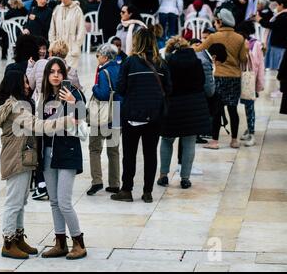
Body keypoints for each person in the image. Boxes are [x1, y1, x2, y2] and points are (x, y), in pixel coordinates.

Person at [0, 69, 76, 259]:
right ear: (16, 85)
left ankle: (18, 237)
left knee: (21, 200)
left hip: (22, 157)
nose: (28, 86)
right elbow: (38, 126)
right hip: (16, 158)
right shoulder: (16, 108)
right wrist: (66, 120)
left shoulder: (18, 105)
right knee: (14, 201)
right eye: (25, 82)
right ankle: (8, 243)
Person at [111, 28, 171, 203]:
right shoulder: (161, 63)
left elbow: (120, 88)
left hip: (132, 115)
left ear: (136, 42)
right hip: (154, 117)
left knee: (129, 155)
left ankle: (127, 190)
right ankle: (147, 192)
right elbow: (168, 88)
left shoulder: (129, 62)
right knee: (150, 154)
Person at [39, 58, 87, 260]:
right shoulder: (44, 96)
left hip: (68, 151)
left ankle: (79, 242)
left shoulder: (72, 92)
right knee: (54, 201)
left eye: (59, 71)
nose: (56, 75)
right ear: (47, 75)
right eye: (52, 71)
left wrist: (73, 103)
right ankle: (60, 242)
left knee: (65, 202)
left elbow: (87, 116)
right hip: (48, 152)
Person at [157, 36, 210, 190]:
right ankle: (185, 178)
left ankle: (163, 175)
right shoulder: (197, 62)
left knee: (167, 140)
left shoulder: (167, 63)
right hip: (193, 105)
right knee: (189, 143)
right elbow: (202, 83)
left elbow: (166, 85)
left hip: (173, 105)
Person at [194, 8, 248, 150]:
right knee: (233, 109)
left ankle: (215, 141)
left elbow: (199, 50)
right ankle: (234, 140)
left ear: (220, 21)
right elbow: (243, 59)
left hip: (219, 76)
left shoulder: (213, 37)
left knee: (217, 110)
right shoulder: (240, 38)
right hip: (234, 77)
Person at [86, 43, 122, 196]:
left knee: (94, 149)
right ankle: (114, 183)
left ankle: (97, 181)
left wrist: (94, 87)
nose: (97, 58)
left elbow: (103, 94)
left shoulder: (103, 72)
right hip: (117, 112)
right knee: (113, 151)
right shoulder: (119, 69)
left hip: (101, 115)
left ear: (105, 57)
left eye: (98, 55)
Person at [236, 21, 265, 147]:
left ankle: (252, 133)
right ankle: (249, 129)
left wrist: (258, 84)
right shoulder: (240, 43)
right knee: (248, 106)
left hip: (249, 79)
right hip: (239, 77)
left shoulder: (256, 44)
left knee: (249, 106)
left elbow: (260, 65)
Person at [257, 0, 287, 98]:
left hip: (281, 46)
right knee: (280, 68)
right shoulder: (282, 15)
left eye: (277, 5)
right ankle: (281, 89)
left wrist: (260, 20)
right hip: (279, 45)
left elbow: (272, 25)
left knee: (281, 68)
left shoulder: (285, 16)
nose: (276, 8)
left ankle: (282, 90)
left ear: (281, 5)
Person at [48, 0, 86, 69]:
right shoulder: (57, 9)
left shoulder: (77, 10)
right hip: (58, 48)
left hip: (72, 48)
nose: (62, 1)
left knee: (70, 75)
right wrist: (52, 44)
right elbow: (52, 29)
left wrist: (76, 46)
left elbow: (81, 30)